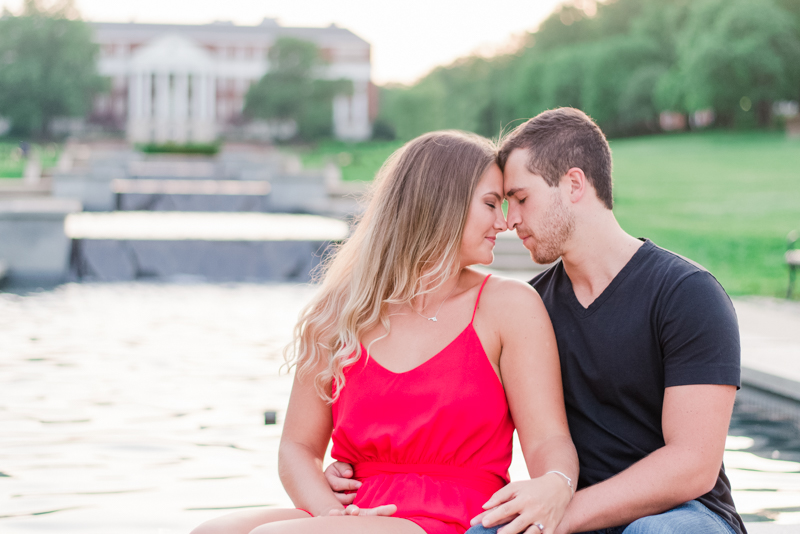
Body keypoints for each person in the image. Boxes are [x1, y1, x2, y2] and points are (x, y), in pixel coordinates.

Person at [328, 108, 745, 534]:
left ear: (574, 184)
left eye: (522, 199)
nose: (510, 221)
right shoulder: (532, 305)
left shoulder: (686, 294)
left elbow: (693, 466)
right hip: (565, 509)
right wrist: (351, 475)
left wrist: (558, 514)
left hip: (684, 516)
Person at [190, 130, 578, 534]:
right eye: (490, 204)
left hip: (450, 517)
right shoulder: (342, 311)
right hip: (355, 516)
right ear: (440, 203)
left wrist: (556, 484)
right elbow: (297, 448)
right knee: (212, 531)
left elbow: (547, 440)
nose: (504, 222)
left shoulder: (509, 306)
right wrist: (332, 513)